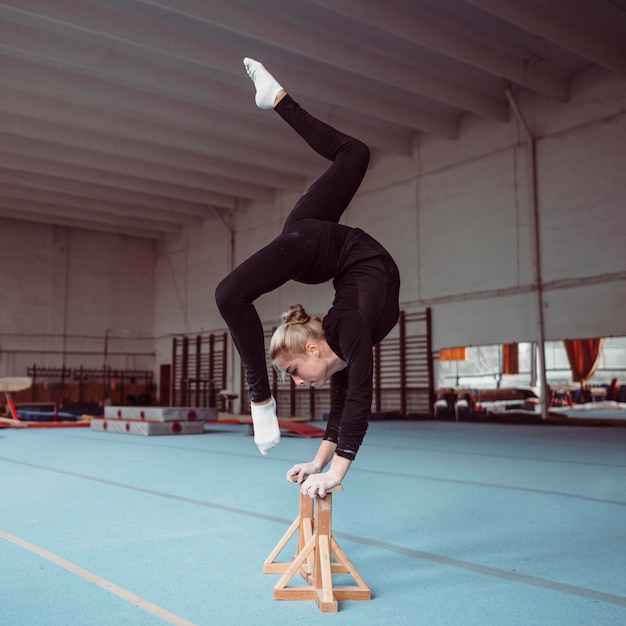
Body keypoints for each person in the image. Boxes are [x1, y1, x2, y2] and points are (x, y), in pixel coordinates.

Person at [215, 58, 400, 498]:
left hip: (315, 246)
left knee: (229, 295)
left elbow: (358, 401)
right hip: (325, 240)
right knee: (355, 153)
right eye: (292, 378)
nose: (298, 382)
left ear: (312, 347)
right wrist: (316, 462)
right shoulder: (340, 343)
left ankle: (259, 400)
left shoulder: (349, 327)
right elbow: (343, 402)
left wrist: (336, 473)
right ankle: (275, 98)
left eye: (294, 371)